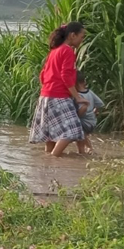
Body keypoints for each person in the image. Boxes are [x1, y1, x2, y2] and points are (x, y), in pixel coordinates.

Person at [28, 22, 88, 157]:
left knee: (51, 134)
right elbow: (65, 76)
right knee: (72, 130)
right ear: (72, 35)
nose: (82, 40)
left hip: (45, 96)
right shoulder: (67, 50)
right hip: (59, 96)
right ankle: (54, 158)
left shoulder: (54, 51)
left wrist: (48, 89)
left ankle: (48, 161)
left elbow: (43, 74)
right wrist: (77, 97)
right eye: (82, 36)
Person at [74, 70, 105, 155]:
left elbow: (82, 110)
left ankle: (82, 153)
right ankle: (89, 149)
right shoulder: (90, 92)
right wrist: (95, 111)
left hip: (83, 122)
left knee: (80, 138)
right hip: (92, 121)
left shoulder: (78, 96)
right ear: (84, 81)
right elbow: (100, 104)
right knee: (84, 136)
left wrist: (76, 117)